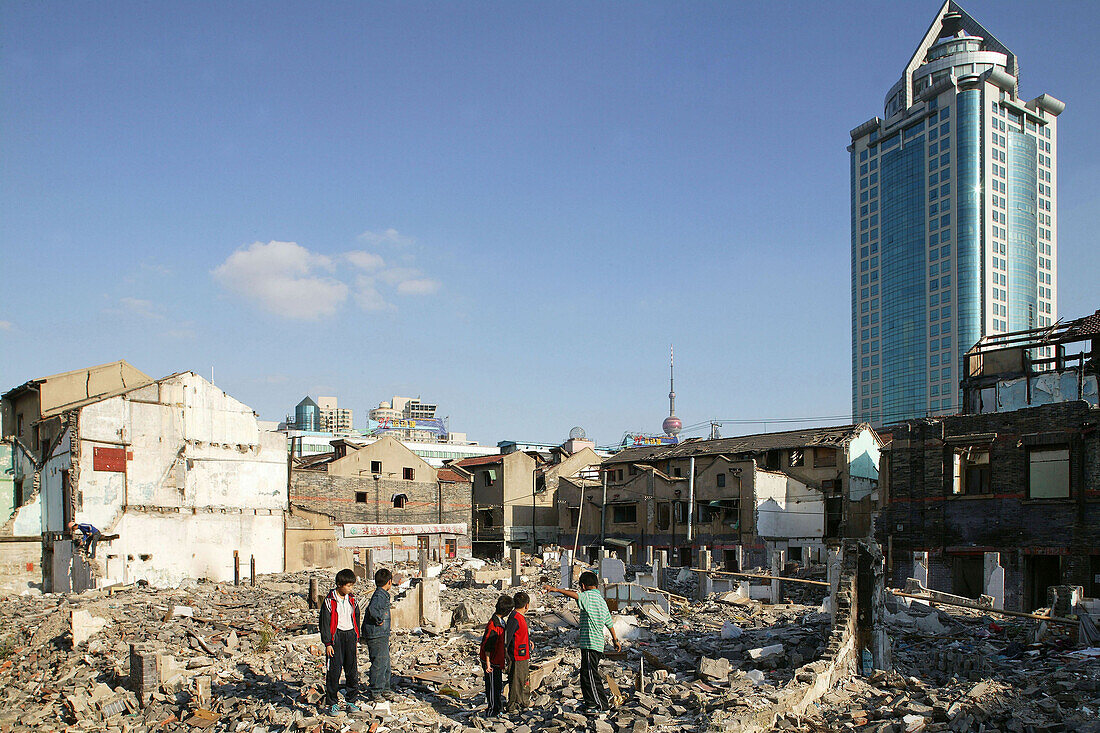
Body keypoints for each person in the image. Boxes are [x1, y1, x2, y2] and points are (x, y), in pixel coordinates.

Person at [543, 571, 621, 712]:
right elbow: (609, 623)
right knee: (586, 674)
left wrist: (556, 590)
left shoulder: (588, 597)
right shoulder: (601, 601)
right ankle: (590, 702)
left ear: (583, 586)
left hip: (591, 643)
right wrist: (615, 640)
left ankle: (601, 705)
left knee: (591, 675)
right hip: (595, 644)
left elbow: (575, 595)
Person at [319, 568, 362, 714]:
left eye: (352, 586)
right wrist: (328, 643)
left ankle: (351, 701)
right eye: (348, 586)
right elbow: (324, 623)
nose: (350, 589)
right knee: (334, 671)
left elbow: (356, 617)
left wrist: (356, 637)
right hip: (336, 637)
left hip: (350, 636)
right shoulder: (329, 601)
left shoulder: (352, 600)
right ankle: (332, 703)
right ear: (339, 584)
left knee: (351, 671)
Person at [478, 594, 514, 718]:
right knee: (493, 687)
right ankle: (492, 711)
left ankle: (497, 708)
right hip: (491, 661)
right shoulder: (494, 626)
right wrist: (488, 665)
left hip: (497, 660)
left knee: (497, 685)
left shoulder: (500, 622)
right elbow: (488, 648)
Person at [364, 568, 395, 701]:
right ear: (389, 582)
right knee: (379, 663)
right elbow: (372, 609)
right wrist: (379, 620)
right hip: (376, 634)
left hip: (381, 634)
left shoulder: (381, 594)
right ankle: (376, 691)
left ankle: (385, 689)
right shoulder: (379, 595)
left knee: (385, 663)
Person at [504, 591, 532, 713]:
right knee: (516, 682)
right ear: (527, 605)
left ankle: (523, 702)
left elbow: (518, 635)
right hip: (517, 656)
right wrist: (507, 656)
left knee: (523, 680)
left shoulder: (518, 617)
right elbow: (507, 638)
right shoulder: (515, 617)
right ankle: (513, 706)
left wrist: (528, 642)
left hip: (523, 654)